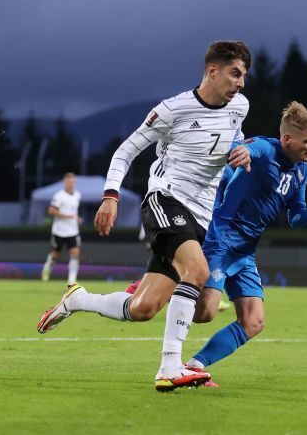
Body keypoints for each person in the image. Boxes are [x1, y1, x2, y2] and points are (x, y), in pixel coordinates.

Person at [36, 40, 252, 392]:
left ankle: (78, 299)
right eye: (235, 73)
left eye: (244, 76)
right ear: (212, 70)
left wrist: (241, 150)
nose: (241, 82)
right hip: (165, 201)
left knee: (144, 308)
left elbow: (232, 138)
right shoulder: (172, 110)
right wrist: (110, 196)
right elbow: (126, 151)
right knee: (196, 271)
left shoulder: (239, 106)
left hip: (201, 216)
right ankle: (170, 367)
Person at [184, 102, 307, 384]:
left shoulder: (302, 171)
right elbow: (249, 148)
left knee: (253, 321)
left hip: (245, 251)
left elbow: (295, 218)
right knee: (205, 313)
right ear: (287, 139)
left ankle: (194, 366)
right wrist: (240, 151)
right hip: (221, 239)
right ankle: (161, 285)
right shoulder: (266, 149)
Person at [41, 173, 82, 284]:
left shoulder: (77, 195)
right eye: (68, 181)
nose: (70, 184)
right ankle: (48, 265)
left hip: (73, 231)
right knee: (56, 254)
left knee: (75, 253)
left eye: (72, 181)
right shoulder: (59, 196)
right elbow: (51, 210)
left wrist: (76, 218)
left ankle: (71, 280)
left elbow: (73, 211)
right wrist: (66, 216)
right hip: (59, 231)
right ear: (64, 182)